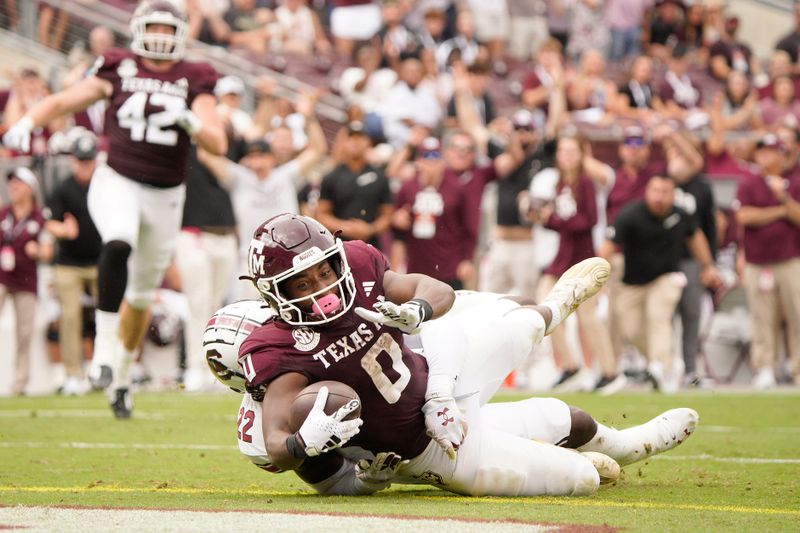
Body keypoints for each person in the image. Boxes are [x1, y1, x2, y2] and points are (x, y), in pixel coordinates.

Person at [232, 213, 698, 497]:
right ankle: (560, 451)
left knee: (518, 324)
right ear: (274, 294)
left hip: (443, 382)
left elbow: (432, 290)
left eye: (322, 270)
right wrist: (303, 442)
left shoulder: (357, 263)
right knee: (575, 459)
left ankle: (634, 436)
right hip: (430, 451)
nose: (323, 286)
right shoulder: (277, 346)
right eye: (302, 283)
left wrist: (416, 309)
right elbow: (275, 439)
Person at [2, 1, 227, 418]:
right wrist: (28, 121)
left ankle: (121, 377)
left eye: (167, 27)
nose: (159, 36)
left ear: (179, 32)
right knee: (119, 241)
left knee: (141, 296)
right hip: (118, 179)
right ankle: (103, 351)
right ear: (138, 29)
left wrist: (192, 124)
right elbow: (68, 100)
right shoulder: (118, 66)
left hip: (166, 193)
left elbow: (218, 142)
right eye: (153, 27)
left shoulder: (195, 77)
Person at [600, 176, 721, 392]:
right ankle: (666, 363)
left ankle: (658, 366)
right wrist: (596, 278)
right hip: (632, 282)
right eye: (655, 191)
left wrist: (708, 266)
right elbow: (608, 246)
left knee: (659, 317)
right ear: (647, 191)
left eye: (665, 192)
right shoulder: (630, 215)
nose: (660, 197)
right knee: (631, 329)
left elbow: (696, 238)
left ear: (673, 194)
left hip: (666, 278)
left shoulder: (680, 214)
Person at [734, 134, 800, 389]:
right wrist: (781, 211)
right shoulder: (749, 182)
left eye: (771, 151)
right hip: (758, 261)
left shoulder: (794, 181)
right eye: (761, 152)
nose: (765, 156)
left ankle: (797, 369)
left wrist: (783, 198)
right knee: (762, 317)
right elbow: (744, 216)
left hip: (791, 259)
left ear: (782, 155)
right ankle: (764, 367)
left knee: (797, 315)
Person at [45, 133, 103, 396]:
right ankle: (73, 374)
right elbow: (50, 221)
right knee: (70, 317)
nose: (84, 166)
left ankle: (104, 369)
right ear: (73, 161)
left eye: (88, 160)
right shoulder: (63, 189)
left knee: (108, 315)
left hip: (101, 261)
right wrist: (64, 231)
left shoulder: (106, 186)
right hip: (69, 262)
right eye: (80, 161)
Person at [0, 168, 50, 396]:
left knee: (24, 333)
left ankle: (20, 383)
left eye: (18, 184)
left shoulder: (40, 217)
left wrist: (37, 250)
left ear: (30, 188)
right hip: (2, 277)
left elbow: (48, 251)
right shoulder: (4, 214)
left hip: (26, 281)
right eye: (12, 184)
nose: (13, 188)